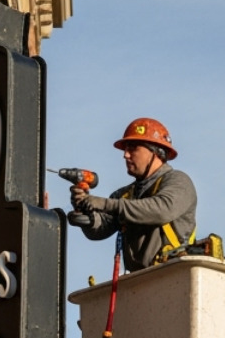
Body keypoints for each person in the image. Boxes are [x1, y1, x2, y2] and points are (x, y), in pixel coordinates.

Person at [69, 117, 196, 272]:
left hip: (173, 274)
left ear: (156, 151)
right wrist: (85, 213)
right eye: (126, 149)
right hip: (139, 279)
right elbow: (100, 229)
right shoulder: (125, 195)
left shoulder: (177, 181)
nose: (126, 155)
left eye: (133, 148)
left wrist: (104, 204)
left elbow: (161, 210)